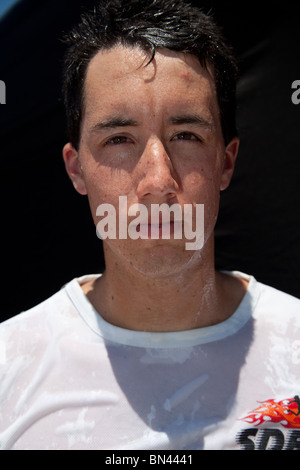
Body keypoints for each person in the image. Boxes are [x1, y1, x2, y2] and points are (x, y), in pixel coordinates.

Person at [0, 0, 299, 451]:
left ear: (226, 161)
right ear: (76, 168)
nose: (158, 182)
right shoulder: (8, 368)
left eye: (186, 136)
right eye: (119, 139)